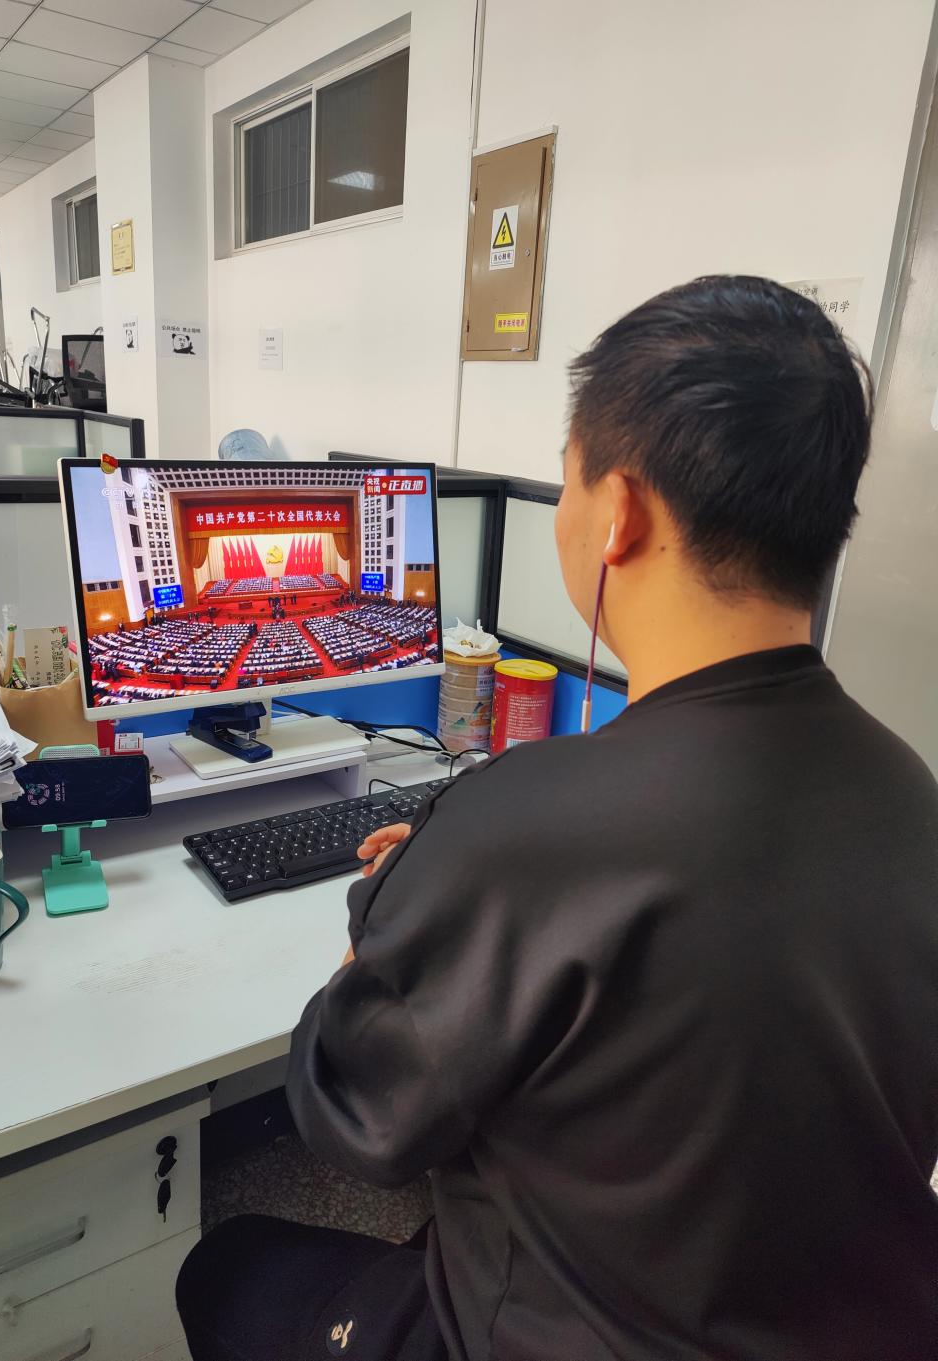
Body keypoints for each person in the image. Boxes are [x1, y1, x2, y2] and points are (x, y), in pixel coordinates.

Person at [176, 277, 938, 1361]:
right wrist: (468, 875)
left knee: (228, 1264)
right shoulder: (909, 792)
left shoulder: (522, 824)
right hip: (844, 1322)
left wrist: (395, 912)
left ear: (618, 511)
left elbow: (354, 1115)